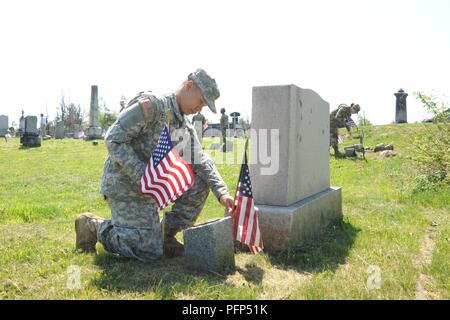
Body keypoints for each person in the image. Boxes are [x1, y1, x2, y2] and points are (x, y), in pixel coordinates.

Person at [75, 69, 235, 261]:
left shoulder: (183, 125)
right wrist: (143, 177)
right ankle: (92, 225)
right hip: (125, 186)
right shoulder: (152, 105)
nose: (199, 109)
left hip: (154, 187)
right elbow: (114, 139)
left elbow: (200, 159)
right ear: (188, 86)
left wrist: (222, 192)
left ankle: (164, 235)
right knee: (146, 251)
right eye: (200, 101)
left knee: (199, 182)